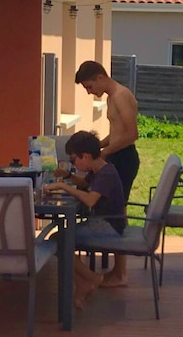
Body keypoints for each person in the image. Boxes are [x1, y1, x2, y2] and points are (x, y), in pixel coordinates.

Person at [43, 130, 126, 309]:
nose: (73, 163)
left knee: (59, 239)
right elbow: (86, 185)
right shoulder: (99, 169)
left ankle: (90, 279)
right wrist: (68, 176)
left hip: (109, 226)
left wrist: (62, 186)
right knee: (61, 238)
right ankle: (84, 283)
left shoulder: (105, 174)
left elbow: (89, 199)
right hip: (104, 222)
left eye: (73, 159)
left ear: (86, 156)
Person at [74, 60, 139, 287]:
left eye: (90, 87)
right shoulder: (113, 97)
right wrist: (98, 146)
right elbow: (117, 132)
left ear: (99, 77)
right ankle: (117, 270)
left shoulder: (121, 96)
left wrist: (103, 155)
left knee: (117, 212)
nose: (91, 93)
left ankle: (121, 274)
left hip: (124, 158)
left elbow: (131, 134)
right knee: (116, 211)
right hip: (116, 154)